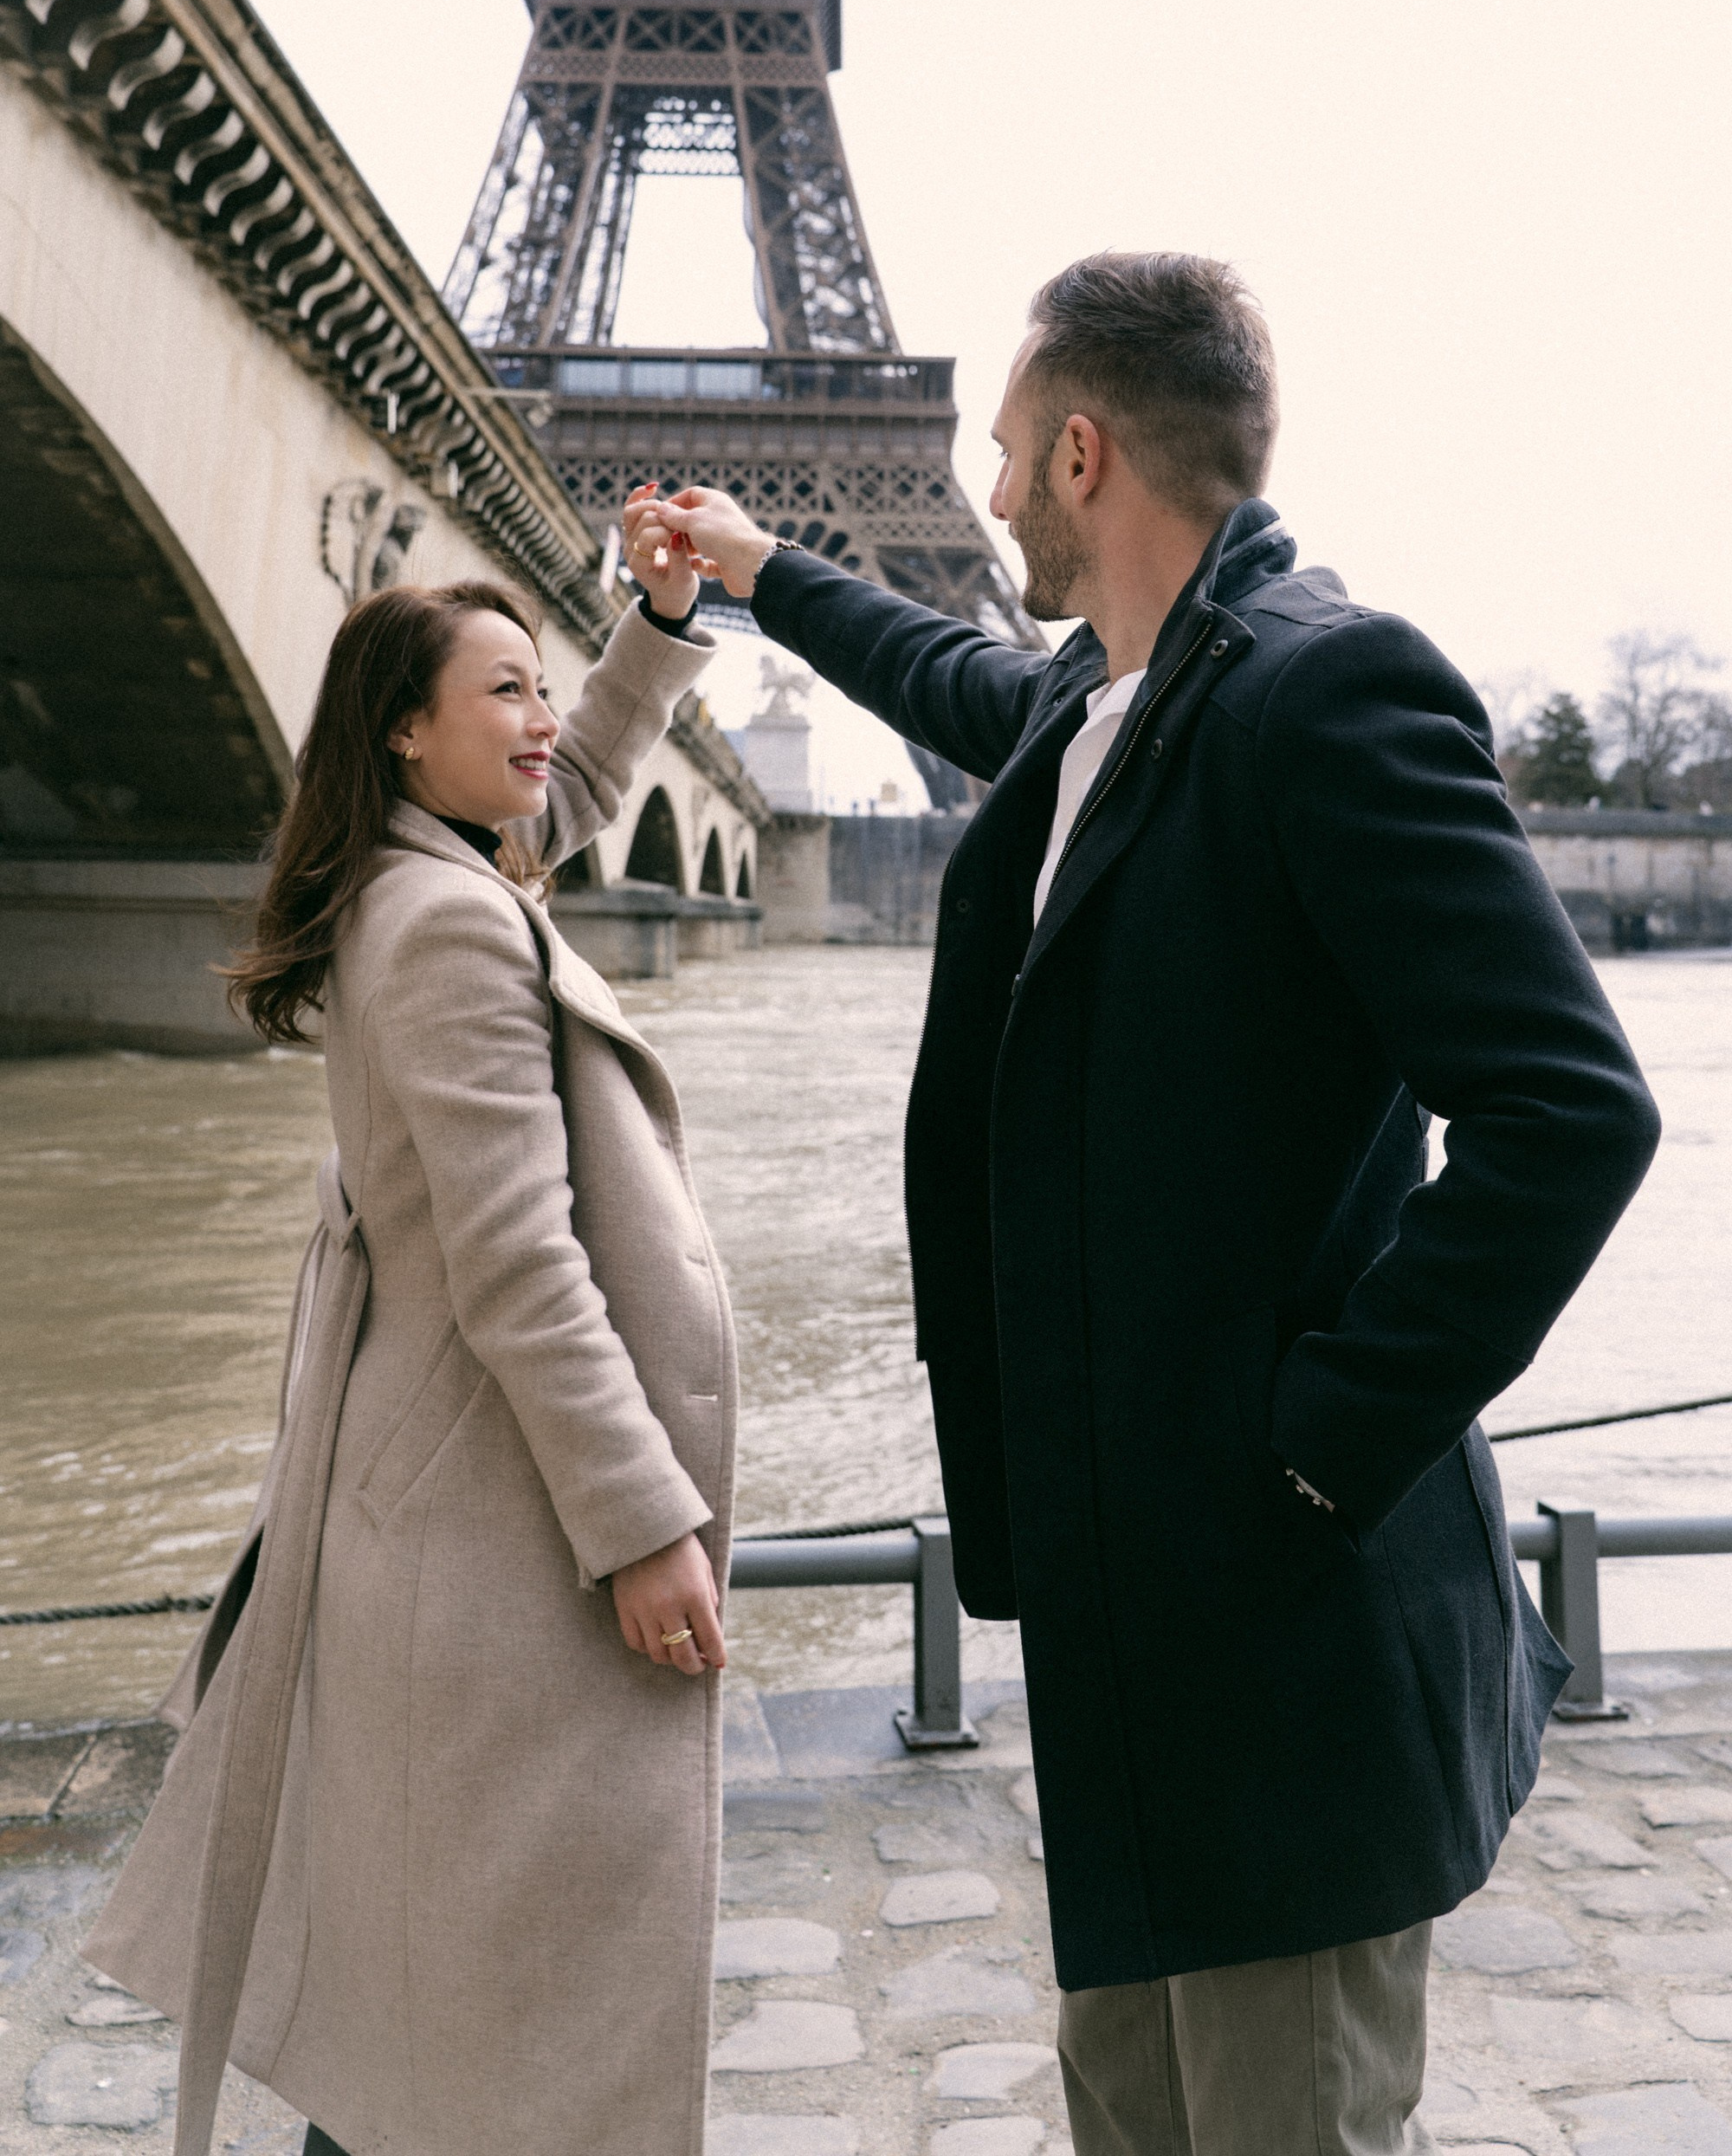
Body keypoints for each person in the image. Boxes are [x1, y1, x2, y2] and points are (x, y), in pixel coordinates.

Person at [643, 254, 1662, 2155]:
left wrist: (1320, 1446)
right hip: (1136, 1612)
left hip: (1286, 1610)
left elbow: (1572, 1111)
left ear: (1082, 452)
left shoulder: (1323, 691)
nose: (987, 495)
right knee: (1132, 2116)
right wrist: (761, 569)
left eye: (1004, 455)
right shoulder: (1103, 699)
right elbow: (944, 671)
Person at [85, 491, 735, 2156]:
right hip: (493, 1530)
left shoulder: (428, 873)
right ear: (404, 733)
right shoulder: (448, 923)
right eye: (503, 691)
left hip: (444, 1501)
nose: (540, 719)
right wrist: (643, 1523)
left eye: (542, 686)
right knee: (480, 2009)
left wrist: (654, 635)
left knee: (436, 1999)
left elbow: (566, 792)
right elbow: (522, 1265)